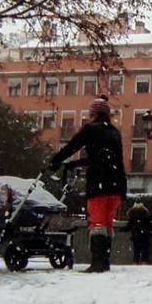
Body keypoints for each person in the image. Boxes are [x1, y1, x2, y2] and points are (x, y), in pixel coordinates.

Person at [50, 96, 127, 273]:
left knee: (97, 223)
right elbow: (111, 159)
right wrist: (122, 187)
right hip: (115, 184)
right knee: (107, 224)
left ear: (93, 114)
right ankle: (105, 260)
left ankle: (97, 262)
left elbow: (73, 146)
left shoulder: (91, 129)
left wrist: (56, 161)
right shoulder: (114, 132)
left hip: (99, 183)